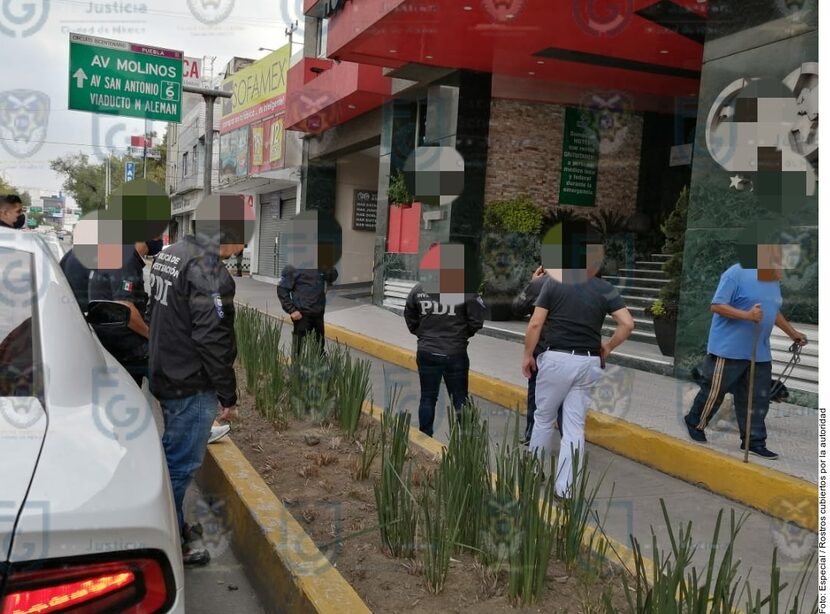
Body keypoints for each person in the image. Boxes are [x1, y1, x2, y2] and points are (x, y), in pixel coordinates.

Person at [146, 217, 243, 566]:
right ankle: (169, 543)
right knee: (179, 466)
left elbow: (153, 308)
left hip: (165, 371)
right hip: (189, 381)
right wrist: (227, 393)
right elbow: (212, 337)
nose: (243, 248)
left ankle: (172, 526)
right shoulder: (209, 270)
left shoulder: (171, 253)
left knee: (171, 456)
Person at [522, 226, 634, 499]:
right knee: (574, 427)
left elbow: (536, 323)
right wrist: (607, 347)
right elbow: (628, 324)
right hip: (589, 363)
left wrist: (527, 355)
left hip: (557, 359)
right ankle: (565, 489)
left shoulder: (554, 283)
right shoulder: (605, 289)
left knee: (544, 418)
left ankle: (534, 473)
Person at [683, 244, 807, 459]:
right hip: (729, 348)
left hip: (759, 351)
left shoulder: (773, 280)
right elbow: (717, 305)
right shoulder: (736, 273)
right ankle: (695, 422)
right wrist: (748, 316)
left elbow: (772, 310)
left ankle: (753, 441)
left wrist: (792, 333)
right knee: (715, 392)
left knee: (756, 398)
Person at [404, 280, 486, 438]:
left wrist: (423, 334)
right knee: (460, 399)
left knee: (427, 397)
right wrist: (460, 336)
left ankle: (425, 441)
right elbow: (477, 320)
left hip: (427, 351)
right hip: (454, 353)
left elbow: (410, 314)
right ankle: (470, 443)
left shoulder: (419, 288)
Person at [88, 239, 161, 386]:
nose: (159, 239)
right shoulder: (125, 259)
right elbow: (125, 307)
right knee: (170, 363)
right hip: (122, 344)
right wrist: (150, 335)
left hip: (108, 340)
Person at [513, 265, 563, 444]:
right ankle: (568, 441)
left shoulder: (540, 283)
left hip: (542, 349)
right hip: (572, 351)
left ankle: (532, 436)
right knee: (566, 401)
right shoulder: (582, 283)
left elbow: (518, 307)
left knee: (536, 396)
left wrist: (533, 283)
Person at [277, 264, 338, 356]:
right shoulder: (293, 267)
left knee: (318, 347)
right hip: (301, 315)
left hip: (318, 313)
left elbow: (332, 277)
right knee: (298, 349)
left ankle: (317, 366)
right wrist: (291, 310)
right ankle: (296, 367)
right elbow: (282, 289)